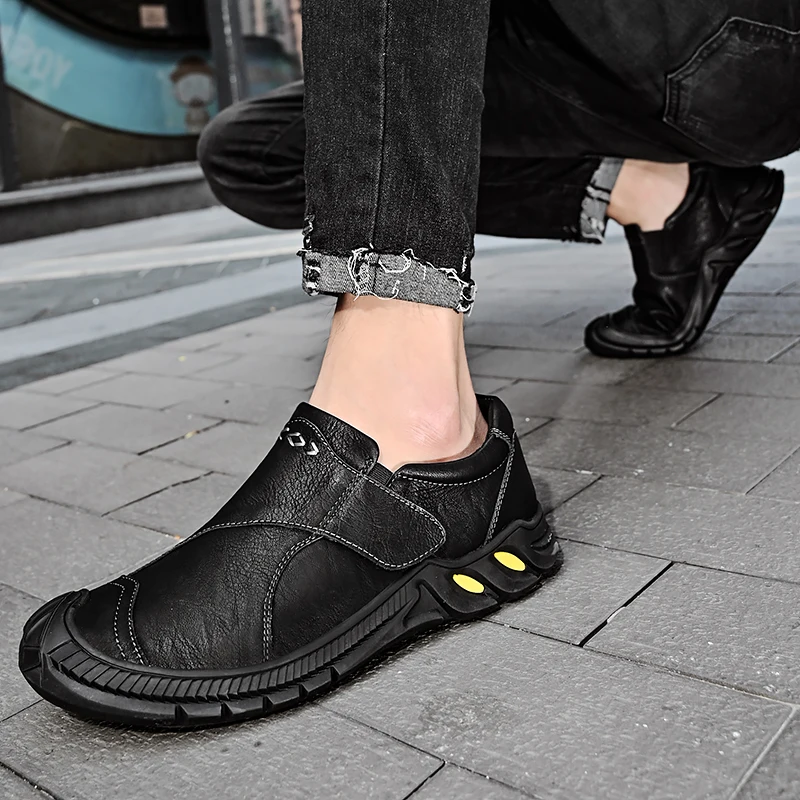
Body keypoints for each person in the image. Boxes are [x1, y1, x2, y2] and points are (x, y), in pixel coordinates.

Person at [19, 0, 795, 728]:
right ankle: (663, 194)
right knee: (252, 150)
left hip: (729, 36)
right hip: (559, 49)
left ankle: (408, 422)